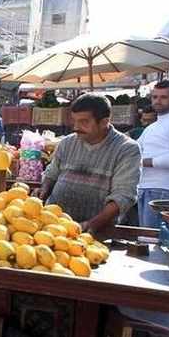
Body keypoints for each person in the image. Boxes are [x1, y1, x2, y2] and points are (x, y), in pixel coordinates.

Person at [38, 93, 141, 235]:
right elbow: (51, 174)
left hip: (97, 230)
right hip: (54, 226)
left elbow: (123, 196)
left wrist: (92, 224)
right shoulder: (67, 143)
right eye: (74, 121)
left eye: (84, 122)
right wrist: (43, 190)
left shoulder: (126, 149)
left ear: (104, 122)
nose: (76, 127)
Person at [137, 80, 169, 228]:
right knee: (146, 238)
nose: (158, 101)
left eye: (163, 97)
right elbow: (134, 149)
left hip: (164, 191)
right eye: (155, 97)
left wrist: (142, 162)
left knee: (155, 242)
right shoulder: (152, 127)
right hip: (145, 188)